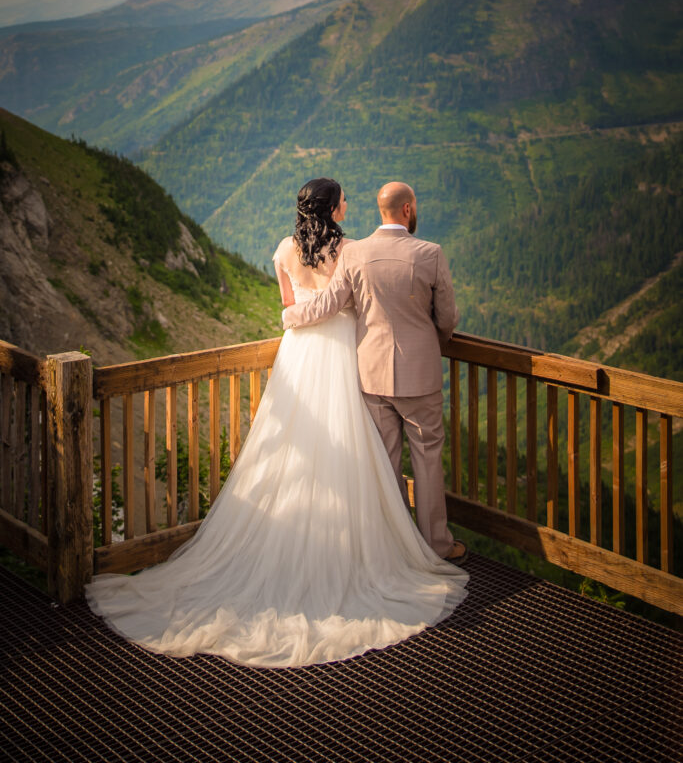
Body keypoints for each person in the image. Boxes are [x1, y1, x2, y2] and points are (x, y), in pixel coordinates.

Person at [85, 178, 468, 668]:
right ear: (334, 207)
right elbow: (377, 308)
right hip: (353, 358)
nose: (347, 204)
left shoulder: (294, 249)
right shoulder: (362, 250)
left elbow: (294, 305)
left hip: (308, 357)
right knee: (369, 458)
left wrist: (293, 321)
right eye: (343, 199)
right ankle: (408, 546)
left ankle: (357, 542)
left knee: (327, 452)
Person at [283, 180, 466, 563]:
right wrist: (436, 342)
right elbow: (447, 318)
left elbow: (329, 304)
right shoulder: (430, 253)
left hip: (370, 374)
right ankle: (437, 545)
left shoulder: (356, 254)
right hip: (420, 376)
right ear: (407, 210)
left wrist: (290, 316)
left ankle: (397, 544)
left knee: (386, 463)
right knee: (427, 459)